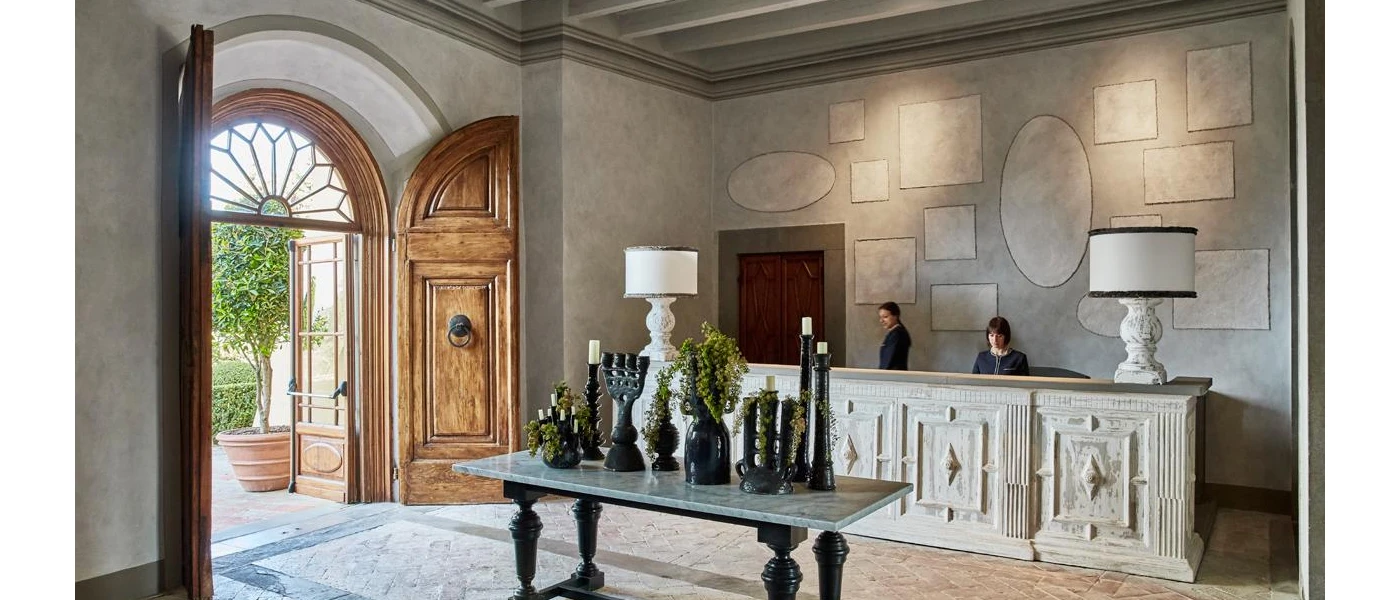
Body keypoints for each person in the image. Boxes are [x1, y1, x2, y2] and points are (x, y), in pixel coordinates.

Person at [877, 301, 911, 370]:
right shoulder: (895, 333)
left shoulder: (897, 334)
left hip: (892, 376)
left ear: (895, 316)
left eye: (885, 317)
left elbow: (887, 362)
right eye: (880, 317)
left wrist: (880, 377)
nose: (881, 320)